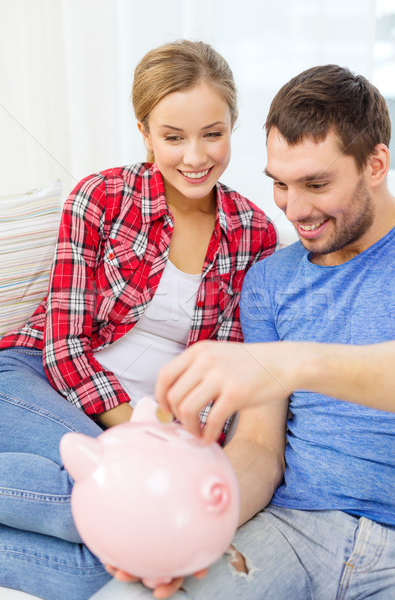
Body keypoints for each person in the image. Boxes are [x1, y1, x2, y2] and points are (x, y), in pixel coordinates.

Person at [0, 40, 276, 600]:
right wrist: (141, 438)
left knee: (123, 558)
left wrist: (178, 441)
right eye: (173, 137)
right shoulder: (99, 198)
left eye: (213, 134)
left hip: (154, 432)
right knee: (125, 510)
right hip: (35, 378)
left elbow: (223, 371)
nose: (195, 156)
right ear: (145, 132)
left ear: (234, 125)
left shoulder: (255, 232)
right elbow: (63, 346)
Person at [105, 64, 395, 599]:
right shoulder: (270, 280)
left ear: (375, 163)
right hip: (294, 531)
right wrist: (193, 526)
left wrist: (293, 363)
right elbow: (260, 447)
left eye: (317, 183)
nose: (295, 210)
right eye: (280, 185)